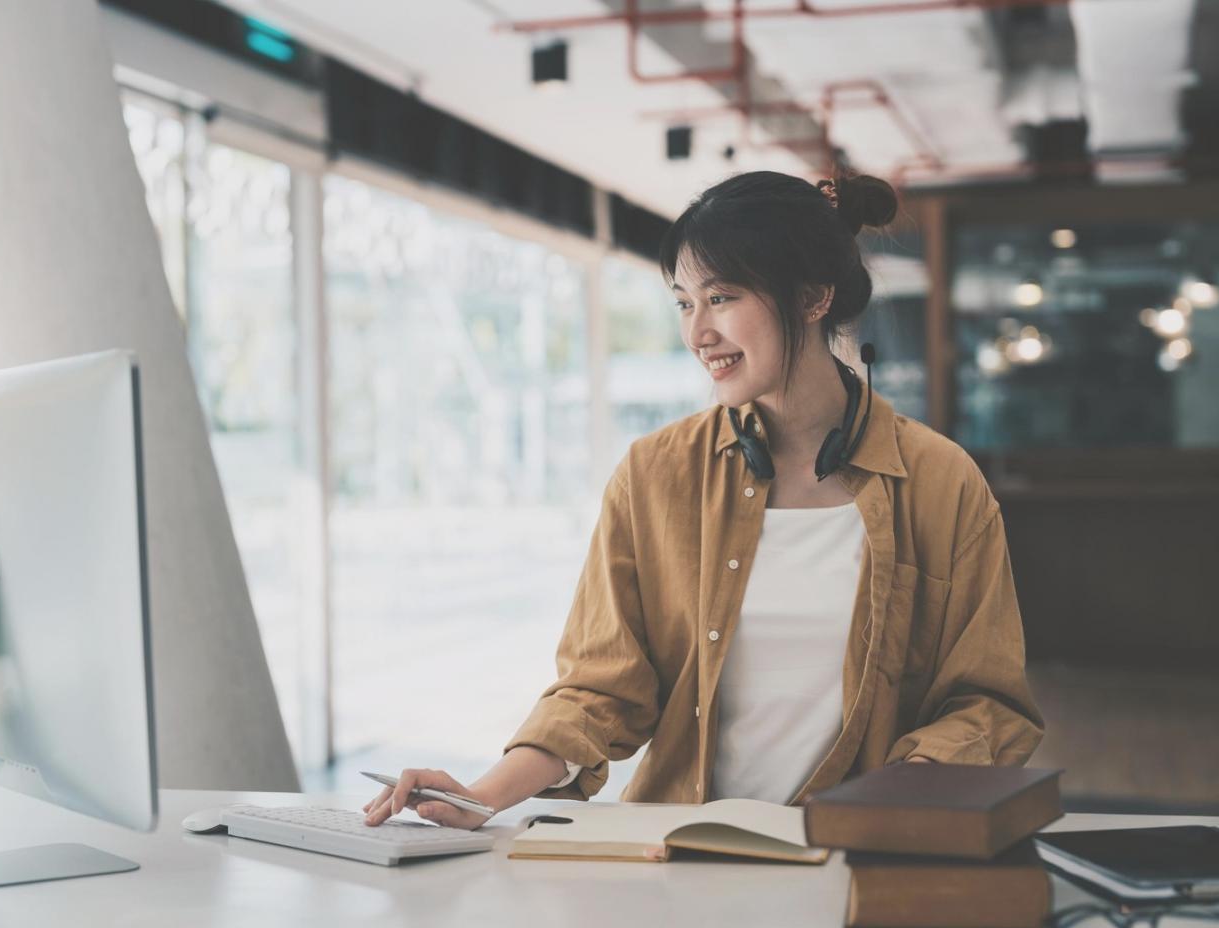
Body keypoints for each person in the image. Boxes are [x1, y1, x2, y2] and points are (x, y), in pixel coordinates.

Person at [364, 169, 1044, 831]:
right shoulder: (654, 475)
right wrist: (483, 796)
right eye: (684, 303)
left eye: (721, 297)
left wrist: (899, 798)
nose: (697, 334)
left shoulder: (940, 483)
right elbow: (599, 689)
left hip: (858, 857)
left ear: (812, 298)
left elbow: (985, 702)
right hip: (681, 858)